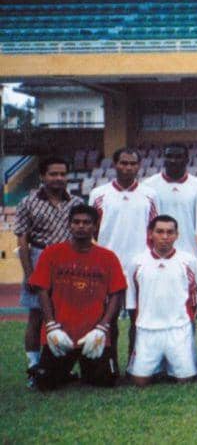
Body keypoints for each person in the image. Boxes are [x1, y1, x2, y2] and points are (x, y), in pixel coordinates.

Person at [28, 205, 126, 391]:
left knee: (105, 382)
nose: (81, 226)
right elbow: (42, 290)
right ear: (69, 225)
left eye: (87, 222)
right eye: (76, 222)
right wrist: (50, 326)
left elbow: (116, 294)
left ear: (95, 226)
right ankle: (64, 371)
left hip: (93, 334)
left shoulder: (108, 257)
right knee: (45, 384)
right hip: (61, 332)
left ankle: (81, 368)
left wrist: (102, 328)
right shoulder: (52, 253)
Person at [14, 156, 84, 386]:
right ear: (42, 176)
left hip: (67, 261)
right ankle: (34, 367)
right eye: (53, 174)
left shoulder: (75, 202)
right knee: (36, 316)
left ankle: (60, 368)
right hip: (39, 256)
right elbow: (22, 240)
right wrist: (29, 271)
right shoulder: (28, 202)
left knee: (66, 315)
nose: (59, 178)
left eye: (63, 174)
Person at [126, 215, 197, 387]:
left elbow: (194, 297)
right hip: (147, 330)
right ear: (150, 234)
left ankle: (176, 362)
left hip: (178, 329)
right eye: (159, 231)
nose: (165, 236)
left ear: (177, 235)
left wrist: (186, 321)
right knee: (139, 382)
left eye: (170, 232)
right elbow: (132, 299)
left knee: (186, 381)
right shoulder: (137, 262)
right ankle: (157, 365)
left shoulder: (188, 261)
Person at [89, 147, 159, 273]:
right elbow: (93, 229)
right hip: (107, 261)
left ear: (139, 166)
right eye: (124, 163)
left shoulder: (150, 195)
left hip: (140, 262)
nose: (128, 167)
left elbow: (154, 228)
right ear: (115, 164)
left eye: (133, 164)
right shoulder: (98, 194)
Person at [143, 142, 197, 259]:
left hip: (189, 252)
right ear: (164, 159)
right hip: (158, 254)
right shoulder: (149, 185)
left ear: (187, 160)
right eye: (169, 156)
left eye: (178, 157)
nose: (173, 160)